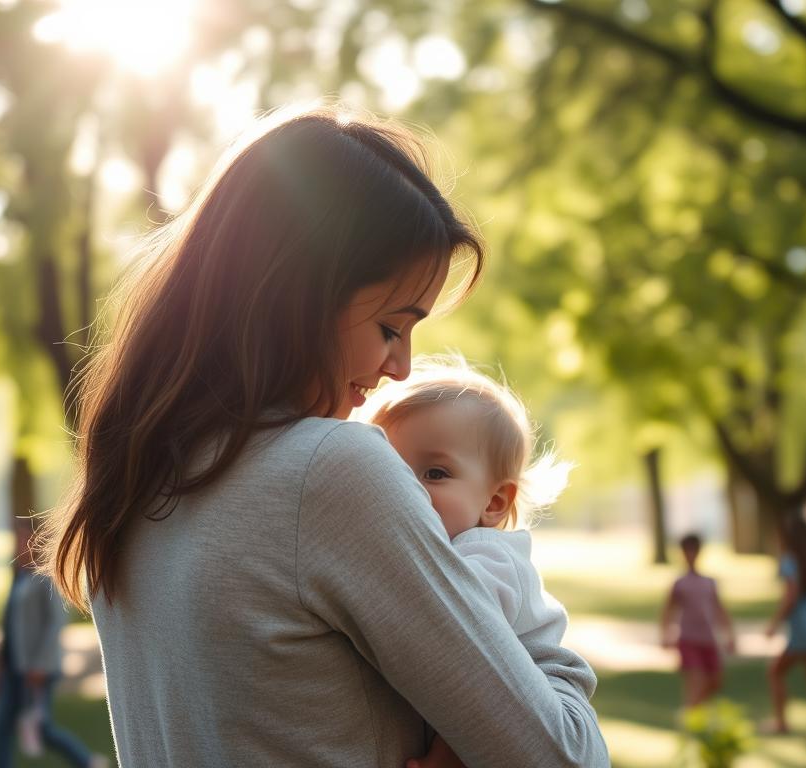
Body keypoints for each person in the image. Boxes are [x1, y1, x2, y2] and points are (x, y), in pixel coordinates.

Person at [38, 106, 608, 767]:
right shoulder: (327, 470)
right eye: (392, 328)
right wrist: (529, 622)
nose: (400, 368)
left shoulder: (134, 481)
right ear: (299, 295)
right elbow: (564, 756)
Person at [361, 356, 590, 767]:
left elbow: (467, 656)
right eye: (391, 473)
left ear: (495, 501)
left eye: (434, 473)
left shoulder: (488, 557)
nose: (407, 491)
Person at [0, 517, 108, 768]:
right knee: (2, 724)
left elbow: (55, 623)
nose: (17, 546)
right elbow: (12, 622)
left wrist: (40, 665)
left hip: (36, 668)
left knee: (41, 729)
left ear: (35, 542)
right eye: (16, 540)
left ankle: (86, 761)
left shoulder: (46, 578)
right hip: (15, 665)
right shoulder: (19, 576)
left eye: (22, 540)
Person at [764, 516, 806, 744]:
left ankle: (781, 721)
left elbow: (790, 596)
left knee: (776, 671)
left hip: (803, 629)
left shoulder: (789, 561)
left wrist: (774, 623)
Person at [659, 533, 735, 707]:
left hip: (708, 638)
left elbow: (719, 609)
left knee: (716, 681)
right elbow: (668, 611)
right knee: (695, 681)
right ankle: (691, 716)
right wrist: (666, 634)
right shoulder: (680, 583)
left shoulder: (709, 582)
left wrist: (730, 635)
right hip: (688, 639)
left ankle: (697, 712)